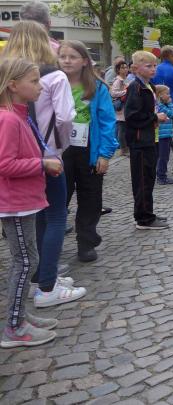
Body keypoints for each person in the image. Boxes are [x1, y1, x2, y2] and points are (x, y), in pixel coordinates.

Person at [4, 21, 85, 308]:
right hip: (46, 156)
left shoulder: (8, 75)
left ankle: (39, 278)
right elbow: (65, 117)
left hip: (26, 155)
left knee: (37, 217)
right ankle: (46, 285)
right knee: (55, 216)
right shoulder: (54, 75)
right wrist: (56, 148)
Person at [0, 58, 64, 348]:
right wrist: (42, 164)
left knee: (27, 260)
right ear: (13, 85)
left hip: (23, 200)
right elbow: (4, 164)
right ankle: (14, 327)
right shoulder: (9, 119)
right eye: (34, 81)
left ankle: (20, 317)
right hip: (15, 202)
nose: (40, 86)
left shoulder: (19, 116)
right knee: (25, 262)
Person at [58, 41, 118, 263]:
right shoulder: (52, 84)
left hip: (89, 150)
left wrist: (105, 154)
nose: (67, 61)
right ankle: (52, 242)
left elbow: (107, 122)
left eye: (72, 57)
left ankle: (86, 242)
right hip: (61, 150)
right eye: (63, 56)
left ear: (84, 61)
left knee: (90, 198)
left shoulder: (97, 87)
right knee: (59, 198)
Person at [125, 51, 170, 230]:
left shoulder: (148, 86)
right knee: (142, 180)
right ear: (136, 68)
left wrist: (155, 119)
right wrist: (155, 118)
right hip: (140, 141)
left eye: (154, 66)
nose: (153, 69)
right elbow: (132, 116)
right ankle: (144, 219)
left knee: (149, 178)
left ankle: (147, 212)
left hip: (149, 138)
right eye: (148, 66)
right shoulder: (135, 88)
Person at [152, 46, 173, 176]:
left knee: (158, 137)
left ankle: (157, 166)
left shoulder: (154, 70)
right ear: (171, 56)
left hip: (156, 108)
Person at [154, 86, 173, 185]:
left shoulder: (159, 105)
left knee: (160, 156)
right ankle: (161, 176)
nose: (169, 95)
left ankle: (159, 174)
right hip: (163, 135)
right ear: (160, 95)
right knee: (164, 156)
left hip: (163, 134)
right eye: (167, 93)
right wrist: (170, 103)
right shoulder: (161, 106)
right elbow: (171, 114)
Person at [110, 60, 129, 156]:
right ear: (118, 70)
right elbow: (113, 93)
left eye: (126, 67)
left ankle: (125, 148)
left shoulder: (125, 79)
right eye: (122, 68)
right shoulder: (118, 80)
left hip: (125, 107)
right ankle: (123, 149)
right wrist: (126, 92)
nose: (125, 69)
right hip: (121, 107)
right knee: (122, 129)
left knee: (124, 129)